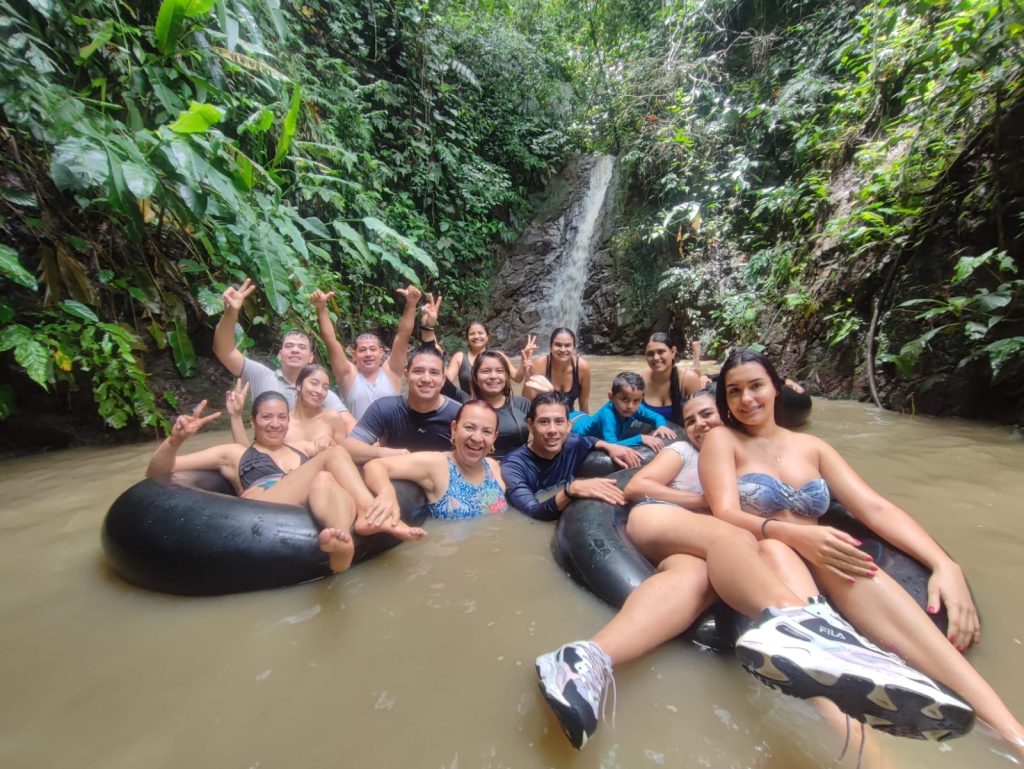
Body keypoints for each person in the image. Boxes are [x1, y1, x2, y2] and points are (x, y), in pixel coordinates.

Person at [535, 391, 974, 750]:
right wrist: (708, 502)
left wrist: (943, 562)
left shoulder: (758, 456)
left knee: (691, 581)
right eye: (692, 418)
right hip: (679, 527)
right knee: (734, 539)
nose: (700, 424)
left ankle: (584, 659)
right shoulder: (685, 452)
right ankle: (813, 634)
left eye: (708, 414)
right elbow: (644, 487)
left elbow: (867, 507)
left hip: (707, 557)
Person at [699, 347, 1024, 750]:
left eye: (755, 386)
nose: (746, 399)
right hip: (770, 555)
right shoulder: (722, 440)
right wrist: (795, 535)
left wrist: (944, 564)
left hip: (828, 559)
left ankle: (1014, 736)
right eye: (734, 392)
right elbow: (725, 512)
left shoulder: (812, 447)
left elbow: (873, 508)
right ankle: (872, 752)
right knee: (806, 624)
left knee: (929, 643)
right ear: (725, 400)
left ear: (777, 389)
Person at [146, 393, 424, 573]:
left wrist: (387, 453)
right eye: (267, 417)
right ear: (253, 421)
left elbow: (349, 454)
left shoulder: (302, 448)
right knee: (333, 457)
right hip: (263, 508)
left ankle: (341, 546)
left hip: (305, 506)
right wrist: (175, 440)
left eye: (281, 417)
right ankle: (369, 514)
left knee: (326, 477)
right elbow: (157, 472)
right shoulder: (235, 453)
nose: (275, 424)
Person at [214, 278, 356, 432]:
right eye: (289, 346)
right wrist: (230, 315)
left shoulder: (318, 391)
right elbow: (224, 351)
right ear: (280, 355)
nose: (295, 350)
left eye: (302, 347)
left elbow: (349, 424)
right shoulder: (261, 375)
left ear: (310, 358)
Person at [500, 392, 642, 520]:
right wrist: (570, 490)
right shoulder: (513, 466)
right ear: (530, 425)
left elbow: (590, 441)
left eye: (559, 422)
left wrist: (609, 446)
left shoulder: (572, 444)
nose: (552, 430)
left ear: (568, 426)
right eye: (544, 422)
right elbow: (533, 511)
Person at [361, 400, 508, 523]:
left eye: (487, 431)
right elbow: (375, 465)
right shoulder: (437, 464)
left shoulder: (492, 466)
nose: (477, 438)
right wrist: (387, 493)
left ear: (494, 438)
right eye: (469, 427)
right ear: (454, 429)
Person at [310, 285, 421, 420]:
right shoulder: (348, 375)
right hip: (358, 439)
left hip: (391, 440)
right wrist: (321, 308)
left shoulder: (391, 371)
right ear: (354, 354)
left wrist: (411, 304)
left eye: (373, 349)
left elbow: (403, 335)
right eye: (362, 350)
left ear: (381, 353)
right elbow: (330, 341)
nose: (368, 354)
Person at [342, 344, 462, 463]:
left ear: (443, 379)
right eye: (418, 371)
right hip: (392, 475)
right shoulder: (385, 408)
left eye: (434, 372)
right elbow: (350, 447)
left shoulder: (459, 414)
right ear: (406, 374)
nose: (426, 379)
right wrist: (385, 453)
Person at [227, 365, 348, 451]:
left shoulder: (332, 417)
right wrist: (235, 416)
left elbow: (346, 456)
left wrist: (330, 441)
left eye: (325, 387)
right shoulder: (281, 422)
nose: (319, 391)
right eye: (314, 383)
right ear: (299, 385)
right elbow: (251, 457)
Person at [571, 371, 678, 451]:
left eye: (636, 400)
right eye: (624, 399)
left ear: (642, 398)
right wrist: (640, 438)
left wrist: (661, 425)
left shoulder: (637, 408)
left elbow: (656, 417)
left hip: (583, 417)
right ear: (611, 397)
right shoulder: (608, 416)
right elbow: (612, 445)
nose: (630, 406)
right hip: (574, 424)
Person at [464, 350, 533, 459]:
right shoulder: (466, 408)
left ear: (506, 376)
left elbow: (549, 429)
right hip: (479, 469)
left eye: (500, 371)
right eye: (486, 371)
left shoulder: (522, 404)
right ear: (475, 377)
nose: (493, 376)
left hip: (518, 468)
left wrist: (547, 393)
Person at [640, 332, 706, 424]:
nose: (655, 357)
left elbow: (701, 418)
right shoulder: (640, 380)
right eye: (650, 354)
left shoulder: (687, 379)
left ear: (673, 352)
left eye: (660, 352)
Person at [521, 328, 591, 413]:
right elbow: (527, 401)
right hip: (543, 417)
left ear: (574, 349)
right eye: (558, 345)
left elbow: (583, 404)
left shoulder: (582, 367)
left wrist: (587, 424)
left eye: (567, 345)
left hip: (568, 419)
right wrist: (527, 376)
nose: (562, 349)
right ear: (550, 347)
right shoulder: (540, 364)